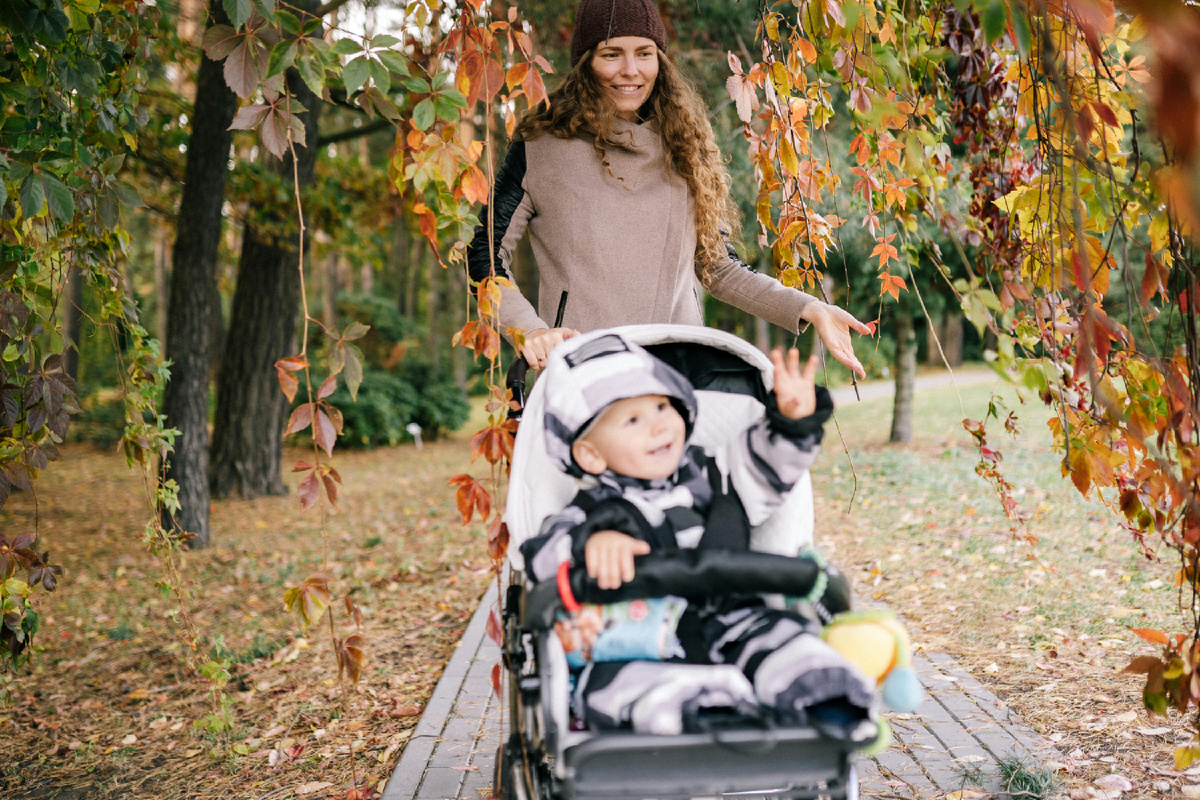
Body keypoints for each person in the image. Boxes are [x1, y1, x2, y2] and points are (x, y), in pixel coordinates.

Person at [466, 0, 870, 374]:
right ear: (585, 62)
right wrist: (530, 330)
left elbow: (717, 267)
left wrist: (809, 307)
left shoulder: (684, 143)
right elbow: (484, 251)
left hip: (679, 372)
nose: (631, 70)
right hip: (584, 373)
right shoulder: (542, 144)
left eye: (644, 53)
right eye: (612, 54)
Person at [518, 331, 877, 738]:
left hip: (735, 619)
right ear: (591, 454)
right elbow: (541, 555)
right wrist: (591, 544)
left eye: (661, 406)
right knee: (609, 686)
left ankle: (827, 699)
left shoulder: (714, 474)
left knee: (790, 642)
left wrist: (792, 422)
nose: (658, 425)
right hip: (637, 640)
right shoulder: (589, 511)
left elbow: (764, 465)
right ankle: (705, 706)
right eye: (633, 420)